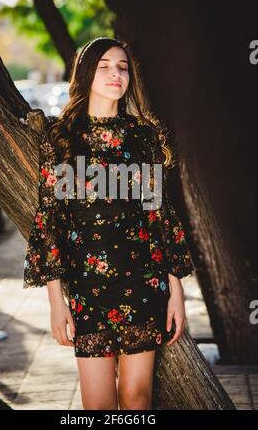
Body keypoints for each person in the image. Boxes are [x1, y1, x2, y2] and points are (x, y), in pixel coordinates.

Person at [23, 37, 195, 410]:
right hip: (88, 288)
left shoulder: (142, 136)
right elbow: (49, 220)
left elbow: (159, 215)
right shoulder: (61, 138)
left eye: (122, 67)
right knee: (97, 406)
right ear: (84, 75)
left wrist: (176, 289)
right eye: (103, 66)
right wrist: (56, 302)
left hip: (143, 282)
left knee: (137, 399)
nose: (115, 74)